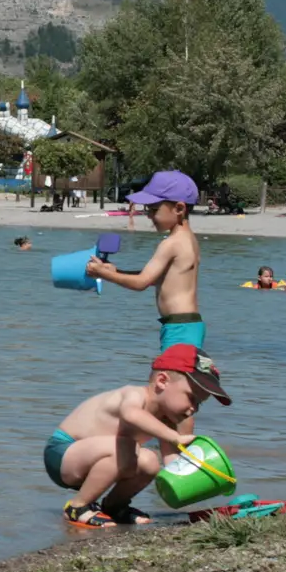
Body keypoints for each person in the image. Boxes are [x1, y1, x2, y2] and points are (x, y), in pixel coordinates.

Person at [44, 345, 228, 528]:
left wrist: (199, 476)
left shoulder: (167, 420)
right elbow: (130, 414)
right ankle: (77, 507)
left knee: (150, 462)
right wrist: (175, 437)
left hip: (103, 459)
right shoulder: (134, 395)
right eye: (191, 397)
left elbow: (172, 463)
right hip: (63, 453)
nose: (194, 408)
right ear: (162, 380)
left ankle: (114, 506)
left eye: (200, 404)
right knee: (126, 447)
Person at [85, 170, 204, 440]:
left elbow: (141, 283)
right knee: (172, 394)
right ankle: (173, 449)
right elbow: (153, 276)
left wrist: (104, 274)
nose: (148, 216)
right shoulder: (188, 240)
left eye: (153, 209)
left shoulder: (171, 243)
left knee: (170, 396)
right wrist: (117, 270)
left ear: (179, 208)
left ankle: (181, 451)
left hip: (180, 328)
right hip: (184, 325)